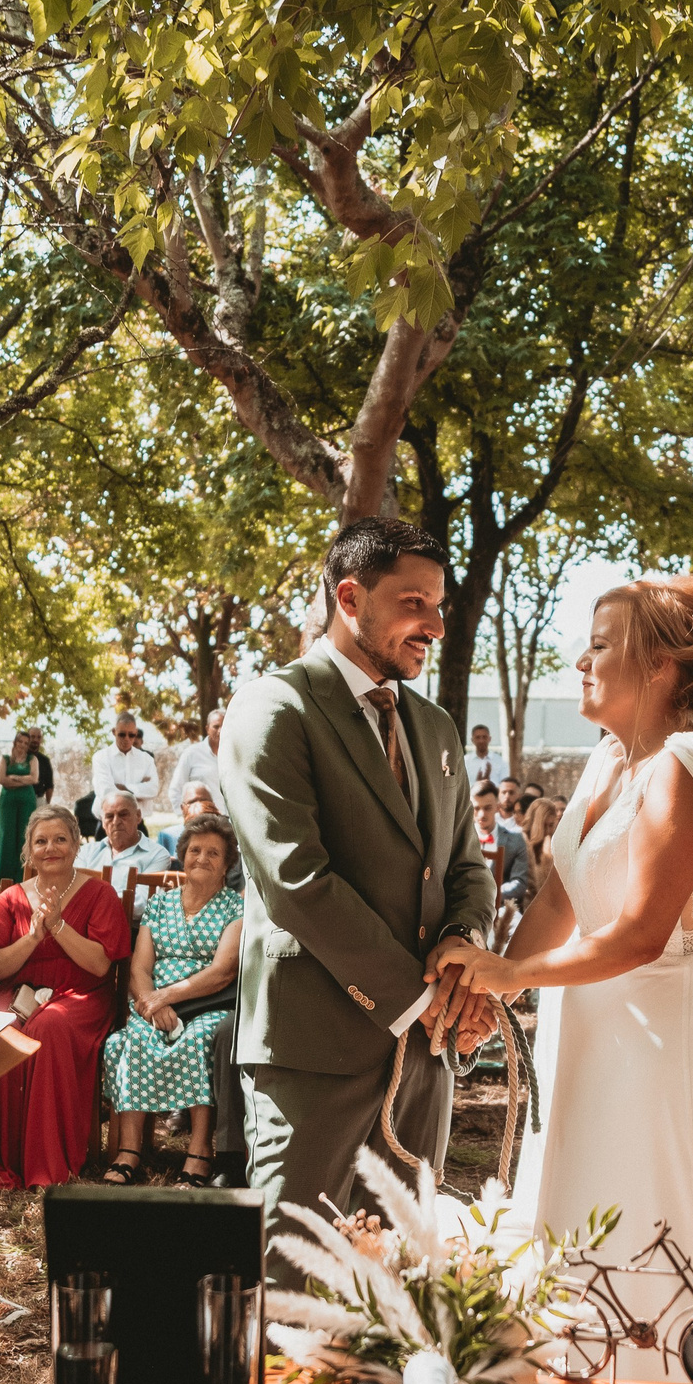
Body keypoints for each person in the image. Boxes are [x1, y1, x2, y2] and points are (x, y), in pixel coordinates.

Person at [431, 572, 693, 1374]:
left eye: (598, 646)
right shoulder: (608, 760)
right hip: (596, 1031)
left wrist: (508, 975)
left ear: (659, 665)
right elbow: (562, 894)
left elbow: (641, 934)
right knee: (583, 1217)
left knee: (652, 1223)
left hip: (666, 1045)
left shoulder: (683, 767)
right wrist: (498, 976)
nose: (580, 661)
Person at [221, 518, 494, 1262]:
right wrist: (426, 998)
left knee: (403, 1277)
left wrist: (464, 959)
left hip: (425, 1061)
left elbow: (468, 867)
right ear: (350, 595)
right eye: (415, 603)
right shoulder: (273, 710)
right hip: (314, 1051)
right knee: (293, 1278)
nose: (435, 624)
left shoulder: (436, 729)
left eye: (439, 606)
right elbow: (296, 883)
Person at [0, 805, 131, 1188]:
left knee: (49, 1025)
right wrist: (33, 937)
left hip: (81, 995)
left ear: (77, 843)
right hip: (18, 992)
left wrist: (58, 926)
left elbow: (100, 966)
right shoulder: (12, 898)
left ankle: (44, 1164)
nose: (51, 848)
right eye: (41, 841)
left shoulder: (99, 894)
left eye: (60, 839)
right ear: (28, 850)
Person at [99, 814, 245, 1187]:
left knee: (199, 1039)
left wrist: (168, 996)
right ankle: (130, 1151)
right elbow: (140, 967)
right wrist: (150, 1002)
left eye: (214, 852)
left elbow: (223, 971)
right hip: (152, 1004)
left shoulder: (234, 908)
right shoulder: (160, 905)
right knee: (129, 1040)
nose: (202, 857)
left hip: (206, 1003)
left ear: (227, 863)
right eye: (195, 850)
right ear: (182, 855)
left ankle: (199, 1152)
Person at [474, 780, 534, 942]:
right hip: (461, 906)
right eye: (476, 808)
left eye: (487, 808)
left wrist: (490, 895)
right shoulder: (457, 838)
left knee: (519, 933)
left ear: (497, 807)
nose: (481, 814)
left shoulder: (516, 840)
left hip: (499, 906)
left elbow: (519, 882)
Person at [0, 727, 45, 882]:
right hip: (8, 802)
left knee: (24, 835)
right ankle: (3, 874)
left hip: (26, 802)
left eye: (26, 742)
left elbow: (34, 779)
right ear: (15, 742)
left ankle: (23, 874)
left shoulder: (32, 760)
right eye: (20, 741)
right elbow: (1, 779)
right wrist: (23, 779)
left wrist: (14, 777)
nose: (22, 745)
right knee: (5, 835)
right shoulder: (5, 759)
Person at [82, 787, 168, 874]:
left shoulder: (156, 855)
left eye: (123, 815)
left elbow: (144, 888)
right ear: (103, 821)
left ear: (138, 816)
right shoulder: (86, 853)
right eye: (109, 816)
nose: (116, 822)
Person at [90, 709, 161, 807]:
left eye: (131, 735)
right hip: (108, 818)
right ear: (114, 732)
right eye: (122, 734)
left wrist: (124, 788)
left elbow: (153, 789)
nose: (126, 739)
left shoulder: (146, 759)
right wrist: (138, 792)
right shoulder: (101, 757)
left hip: (137, 819)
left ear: (135, 733)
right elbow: (105, 791)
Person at [171, 705, 226, 808]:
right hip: (201, 820)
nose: (220, 731)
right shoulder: (192, 753)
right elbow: (175, 790)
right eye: (216, 726)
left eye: (224, 726)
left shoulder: (234, 757)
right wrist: (187, 815)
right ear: (207, 729)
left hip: (227, 821)